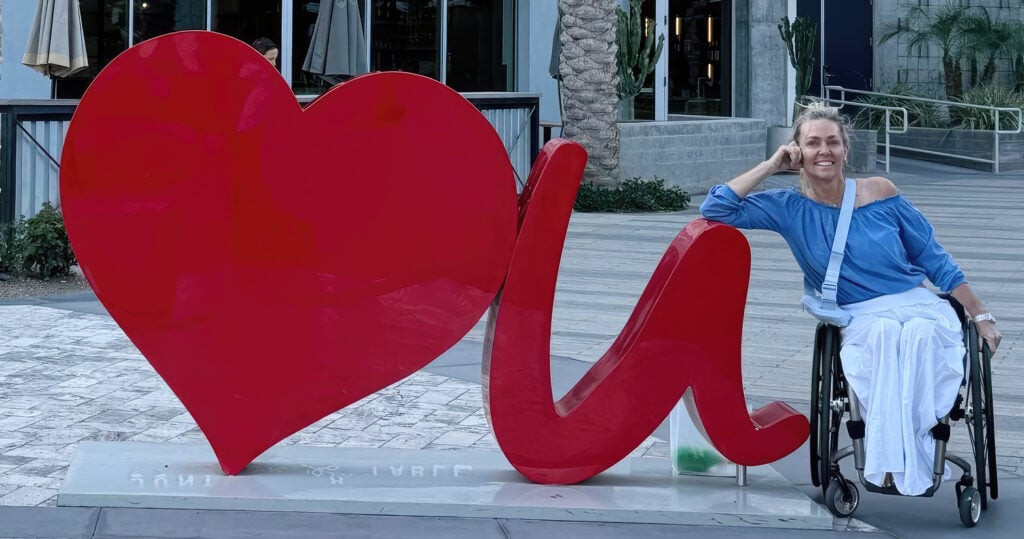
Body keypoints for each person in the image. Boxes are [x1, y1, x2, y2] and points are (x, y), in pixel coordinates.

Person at [700, 102, 1001, 496]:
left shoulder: (881, 192)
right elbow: (717, 207)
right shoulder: (789, 208)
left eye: (832, 142)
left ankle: (919, 451)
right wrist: (772, 164)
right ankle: (889, 459)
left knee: (923, 338)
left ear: (845, 150)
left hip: (916, 301)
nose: (823, 151)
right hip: (860, 313)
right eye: (812, 143)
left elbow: (932, 257)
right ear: (798, 151)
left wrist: (980, 314)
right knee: (879, 339)